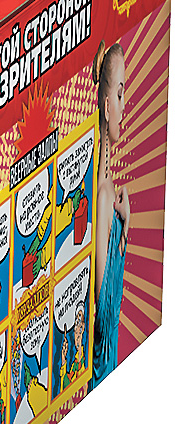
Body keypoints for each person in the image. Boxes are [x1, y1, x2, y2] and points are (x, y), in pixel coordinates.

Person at [91, 41, 130, 389]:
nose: (124, 107)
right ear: (106, 106)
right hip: (103, 371)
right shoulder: (103, 196)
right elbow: (104, 315)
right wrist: (121, 228)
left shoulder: (107, 190)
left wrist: (124, 223)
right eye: (119, 95)